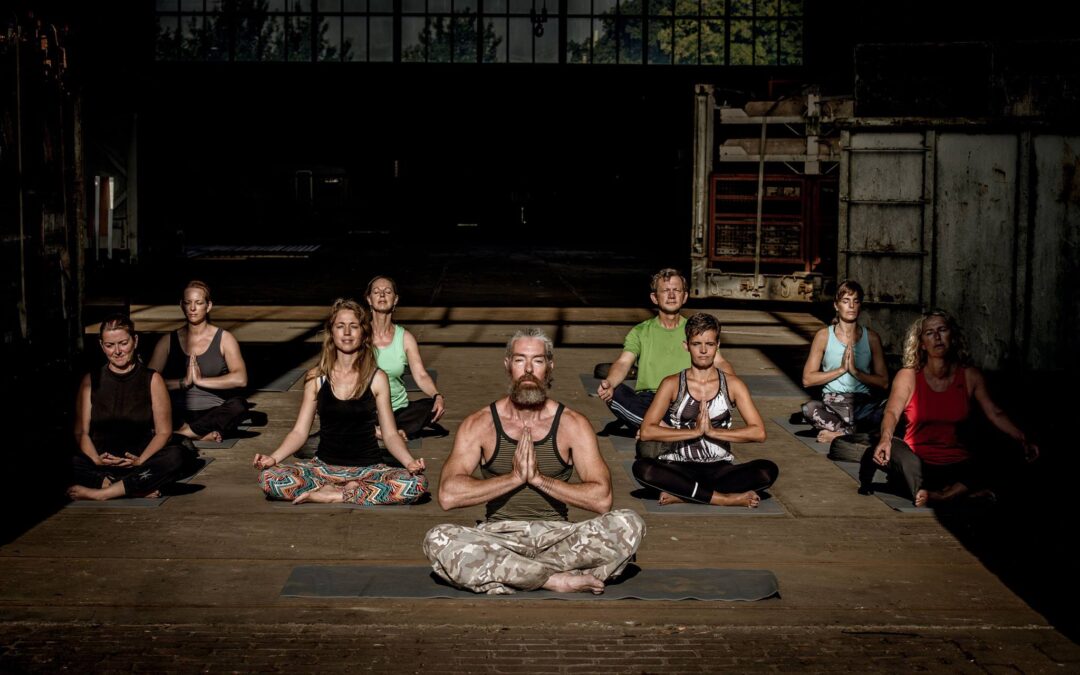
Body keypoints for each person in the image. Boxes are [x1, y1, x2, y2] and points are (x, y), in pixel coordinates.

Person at [424, 328, 645, 595]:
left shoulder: (572, 424)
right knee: (438, 540)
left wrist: (540, 480)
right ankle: (555, 580)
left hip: (559, 538)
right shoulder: (480, 423)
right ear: (508, 365)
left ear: (550, 367)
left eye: (537, 361)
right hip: (499, 536)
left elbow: (601, 499)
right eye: (520, 360)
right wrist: (514, 478)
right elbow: (448, 495)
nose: (528, 369)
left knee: (629, 524)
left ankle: (513, 574)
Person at [252, 299, 427, 505]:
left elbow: (389, 434)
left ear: (363, 333)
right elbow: (299, 432)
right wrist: (273, 458)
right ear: (331, 333)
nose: (346, 332)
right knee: (269, 478)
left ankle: (336, 494)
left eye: (353, 326)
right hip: (322, 469)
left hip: (368, 470)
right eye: (340, 326)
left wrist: (409, 462)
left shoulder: (377, 378)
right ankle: (349, 492)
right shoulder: (316, 377)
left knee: (416, 484)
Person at [865, 309, 1038, 507]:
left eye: (942, 330)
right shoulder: (908, 376)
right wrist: (885, 440)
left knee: (1002, 454)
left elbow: (995, 413)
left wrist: (1023, 438)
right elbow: (892, 412)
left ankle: (944, 496)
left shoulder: (970, 376)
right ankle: (961, 494)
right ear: (921, 343)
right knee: (899, 457)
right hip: (918, 464)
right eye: (930, 333)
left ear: (952, 337)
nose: (937, 337)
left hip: (958, 464)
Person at [632, 313, 778, 508]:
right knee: (643, 469)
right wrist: (693, 432)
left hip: (719, 468)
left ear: (718, 345)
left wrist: (712, 432)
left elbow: (759, 432)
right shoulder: (672, 383)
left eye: (709, 344)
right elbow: (648, 431)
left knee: (767, 470)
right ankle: (723, 499)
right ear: (686, 346)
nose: (703, 351)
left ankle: (684, 494)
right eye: (696, 344)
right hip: (679, 466)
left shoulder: (733, 385)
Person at [68, 314, 196, 501]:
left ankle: (105, 492)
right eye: (110, 345)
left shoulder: (152, 380)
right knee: (63, 459)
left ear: (135, 341)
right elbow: (81, 432)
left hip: (140, 464)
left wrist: (141, 460)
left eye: (123, 343)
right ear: (102, 345)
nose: (117, 351)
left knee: (178, 455)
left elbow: (164, 433)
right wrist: (95, 459)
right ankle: (131, 487)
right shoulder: (91, 380)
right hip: (99, 464)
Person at [597, 268, 734, 429]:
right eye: (665, 291)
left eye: (676, 290)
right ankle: (666, 430)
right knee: (615, 393)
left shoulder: (695, 331)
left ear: (685, 296)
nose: (671, 295)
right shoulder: (640, 331)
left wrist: (730, 388)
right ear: (654, 297)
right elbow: (623, 363)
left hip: (685, 398)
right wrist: (610, 382)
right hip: (649, 401)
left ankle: (654, 429)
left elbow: (720, 363)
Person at [148, 280, 254, 443]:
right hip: (177, 411)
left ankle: (185, 433)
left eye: (198, 303)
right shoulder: (167, 341)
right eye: (188, 303)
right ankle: (197, 433)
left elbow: (241, 379)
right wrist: (184, 382)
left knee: (238, 406)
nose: (192, 308)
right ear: (181, 305)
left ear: (208, 306)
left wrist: (200, 380)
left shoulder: (224, 338)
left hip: (212, 412)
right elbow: (146, 382)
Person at [800, 280, 888, 444]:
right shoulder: (824, 336)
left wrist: (855, 372)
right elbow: (807, 380)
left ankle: (840, 434)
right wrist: (841, 370)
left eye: (856, 301)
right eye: (846, 301)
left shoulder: (872, 338)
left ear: (860, 305)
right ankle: (852, 433)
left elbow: (884, 382)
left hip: (862, 405)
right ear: (836, 305)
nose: (851, 306)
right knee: (809, 409)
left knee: (890, 410)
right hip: (833, 404)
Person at [365, 275, 445, 440]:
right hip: (367, 410)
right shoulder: (359, 335)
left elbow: (420, 374)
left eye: (387, 292)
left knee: (430, 407)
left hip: (398, 411)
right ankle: (386, 431)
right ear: (369, 299)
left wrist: (437, 396)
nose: (381, 295)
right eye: (376, 292)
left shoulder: (405, 338)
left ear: (395, 300)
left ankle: (382, 431)